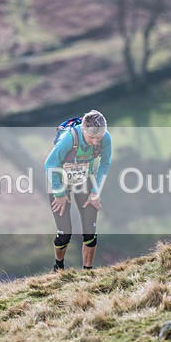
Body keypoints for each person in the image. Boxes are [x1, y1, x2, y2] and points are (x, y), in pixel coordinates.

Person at [45, 110, 112, 271]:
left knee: (90, 231)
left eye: (99, 138)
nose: (96, 142)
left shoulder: (106, 138)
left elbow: (105, 164)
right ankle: (58, 267)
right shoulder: (69, 138)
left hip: (84, 180)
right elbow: (50, 165)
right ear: (83, 129)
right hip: (60, 182)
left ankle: (87, 273)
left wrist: (96, 192)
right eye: (91, 138)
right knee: (65, 234)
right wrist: (59, 194)